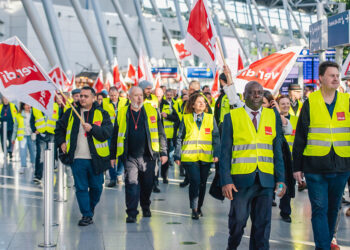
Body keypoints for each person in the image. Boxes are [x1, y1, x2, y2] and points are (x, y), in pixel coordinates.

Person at [220, 81, 286, 250]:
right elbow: (225, 152)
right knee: (238, 222)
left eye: (260, 92)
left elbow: (277, 150)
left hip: (265, 180)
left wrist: (281, 179)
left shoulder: (273, 116)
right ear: (244, 96)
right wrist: (226, 180)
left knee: (262, 226)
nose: (257, 95)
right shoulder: (232, 117)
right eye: (252, 92)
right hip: (240, 181)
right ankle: (232, 246)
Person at [293, 61, 350, 250]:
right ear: (321, 79)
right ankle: (323, 247)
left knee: (333, 209)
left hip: (341, 166)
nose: (336, 78)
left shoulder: (346, 100)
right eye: (332, 75)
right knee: (319, 208)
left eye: (337, 75)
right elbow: (300, 136)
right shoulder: (311, 102)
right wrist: (297, 167)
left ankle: (325, 243)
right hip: (315, 167)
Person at [55, 86, 113, 226]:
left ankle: (89, 208)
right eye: (81, 96)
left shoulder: (102, 113)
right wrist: (61, 142)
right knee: (81, 187)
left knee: (97, 187)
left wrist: (93, 129)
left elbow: (107, 132)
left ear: (93, 98)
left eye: (86, 96)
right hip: (77, 158)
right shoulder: (71, 113)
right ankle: (86, 215)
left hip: (96, 159)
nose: (82, 98)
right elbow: (59, 129)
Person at [110, 87, 168, 223]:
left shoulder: (151, 110)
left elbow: (161, 133)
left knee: (148, 184)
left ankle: (145, 205)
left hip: (149, 156)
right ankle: (131, 213)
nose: (139, 98)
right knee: (131, 184)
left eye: (141, 95)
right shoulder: (122, 112)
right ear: (129, 97)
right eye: (136, 95)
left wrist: (164, 152)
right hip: (130, 156)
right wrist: (113, 155)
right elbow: (115, 135)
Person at [175, 93, 220, 219]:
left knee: (202, 183)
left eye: (203, 102)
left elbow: (216, 137)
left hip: (205, 157)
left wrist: (217, 153)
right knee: (195, 181)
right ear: (193, 105)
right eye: (199, 102)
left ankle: (199, 206)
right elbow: (179, 137)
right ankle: (194, 208)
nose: (202, 104)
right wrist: (177, 155)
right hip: (189, 157)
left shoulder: (210, 118)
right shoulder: (186, 118)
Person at [101, 87, 128, 187]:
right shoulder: (104, 103)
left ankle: (119, 174)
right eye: (111, 95)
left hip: (121, 132)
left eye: (115, 95)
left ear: (118, 94)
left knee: (121, 154)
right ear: (108, 94)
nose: (113, 97)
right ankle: (112, 178)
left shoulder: (125, 102)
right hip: (109, 133)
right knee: (110, 156)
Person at [30, 99, 59, 184]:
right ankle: (38, 176)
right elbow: (32, 120)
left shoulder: (56, 106)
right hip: (41, 134)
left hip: (52, 134)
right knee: (40, 155)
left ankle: (50, 174)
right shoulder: (35, 107)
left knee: (52, 155)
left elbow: (59, 119)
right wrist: (34, 130)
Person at [160, 89, 179, 183]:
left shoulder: (176, 103)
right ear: (164, 95)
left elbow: (177, 118)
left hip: (175, 134)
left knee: (179, 154)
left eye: (171, 94)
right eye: (167, 94)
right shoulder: (162, 104)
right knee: (165, 156)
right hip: (165, 135)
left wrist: (167, 116)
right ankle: (165, 176)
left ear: (173, 94)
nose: (169, 96)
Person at [16, 103, 36, 174]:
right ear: (23, 106)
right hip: (23, 136)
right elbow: (15, 126)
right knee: (23, 151)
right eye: (26, 105)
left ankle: (34, 165)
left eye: (29, 105)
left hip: (31, 135)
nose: (28, 106)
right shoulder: (19, 115)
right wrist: (13, 137)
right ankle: (23, 166)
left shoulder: (33, 114)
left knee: (33, 151)